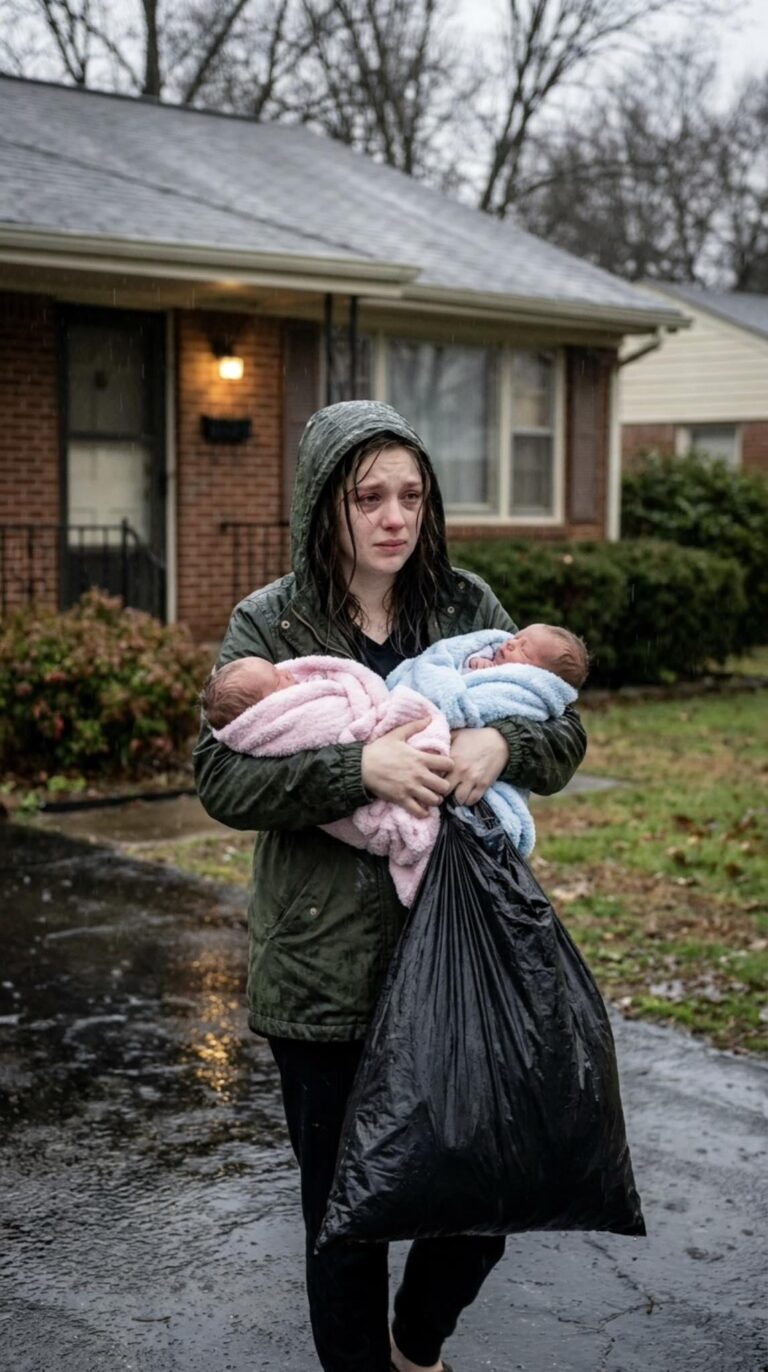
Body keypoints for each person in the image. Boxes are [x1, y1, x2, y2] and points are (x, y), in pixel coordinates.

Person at [194, 399, 587, 1372]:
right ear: (327, 505)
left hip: (458, 957)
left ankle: (417, 1343)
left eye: (411, 494)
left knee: (483, 1197)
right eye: (370, 495)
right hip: (321, 978)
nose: (394, 515)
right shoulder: (272, 618)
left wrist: (506, 739)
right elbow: (219, 775)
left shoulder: (466, 606)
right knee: (346, 1222)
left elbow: (562, 727)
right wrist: (354, 770)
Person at [464, 623, 588, 686]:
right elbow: (459, 654)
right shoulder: (489, 651)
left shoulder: (521, 694)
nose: (511, 643)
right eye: (516, 637)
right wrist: (473, 660)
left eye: (523, 650)